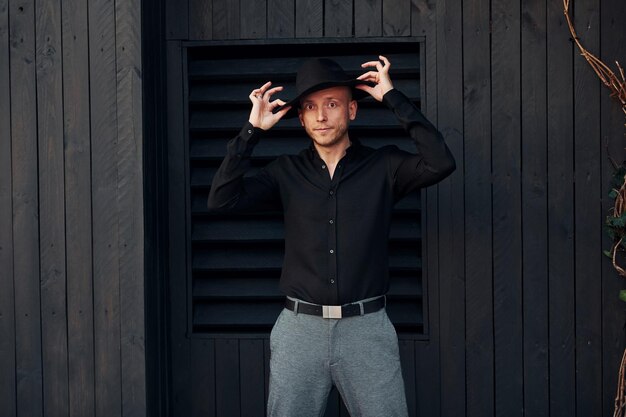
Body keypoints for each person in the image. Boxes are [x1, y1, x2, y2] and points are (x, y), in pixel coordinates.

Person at [207, 55, 455, 417]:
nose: (321, 116)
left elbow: (440, 161)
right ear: (302, 118)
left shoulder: (384, 166)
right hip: (299, 331)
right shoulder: (285, 172)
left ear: (352, 110)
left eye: (332, 104)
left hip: (367, 329)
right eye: (310, 107)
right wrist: (252, 132)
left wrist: (391, 96)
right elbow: (221, 200)